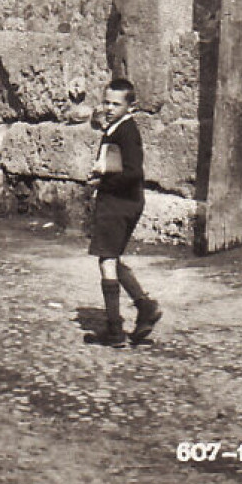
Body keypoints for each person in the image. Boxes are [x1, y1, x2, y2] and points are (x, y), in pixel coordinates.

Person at [85, 77, 163, 347]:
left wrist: (102, 182)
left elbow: (133, 172)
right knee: (113, 260)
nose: (108, 107)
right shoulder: (117, 127)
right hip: (121, 201)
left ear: (131, 106)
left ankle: (115, 329)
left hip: (117, 203)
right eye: (106, 102)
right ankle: (145, 307)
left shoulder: (127, 131)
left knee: (106, 261)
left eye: (115, 104)